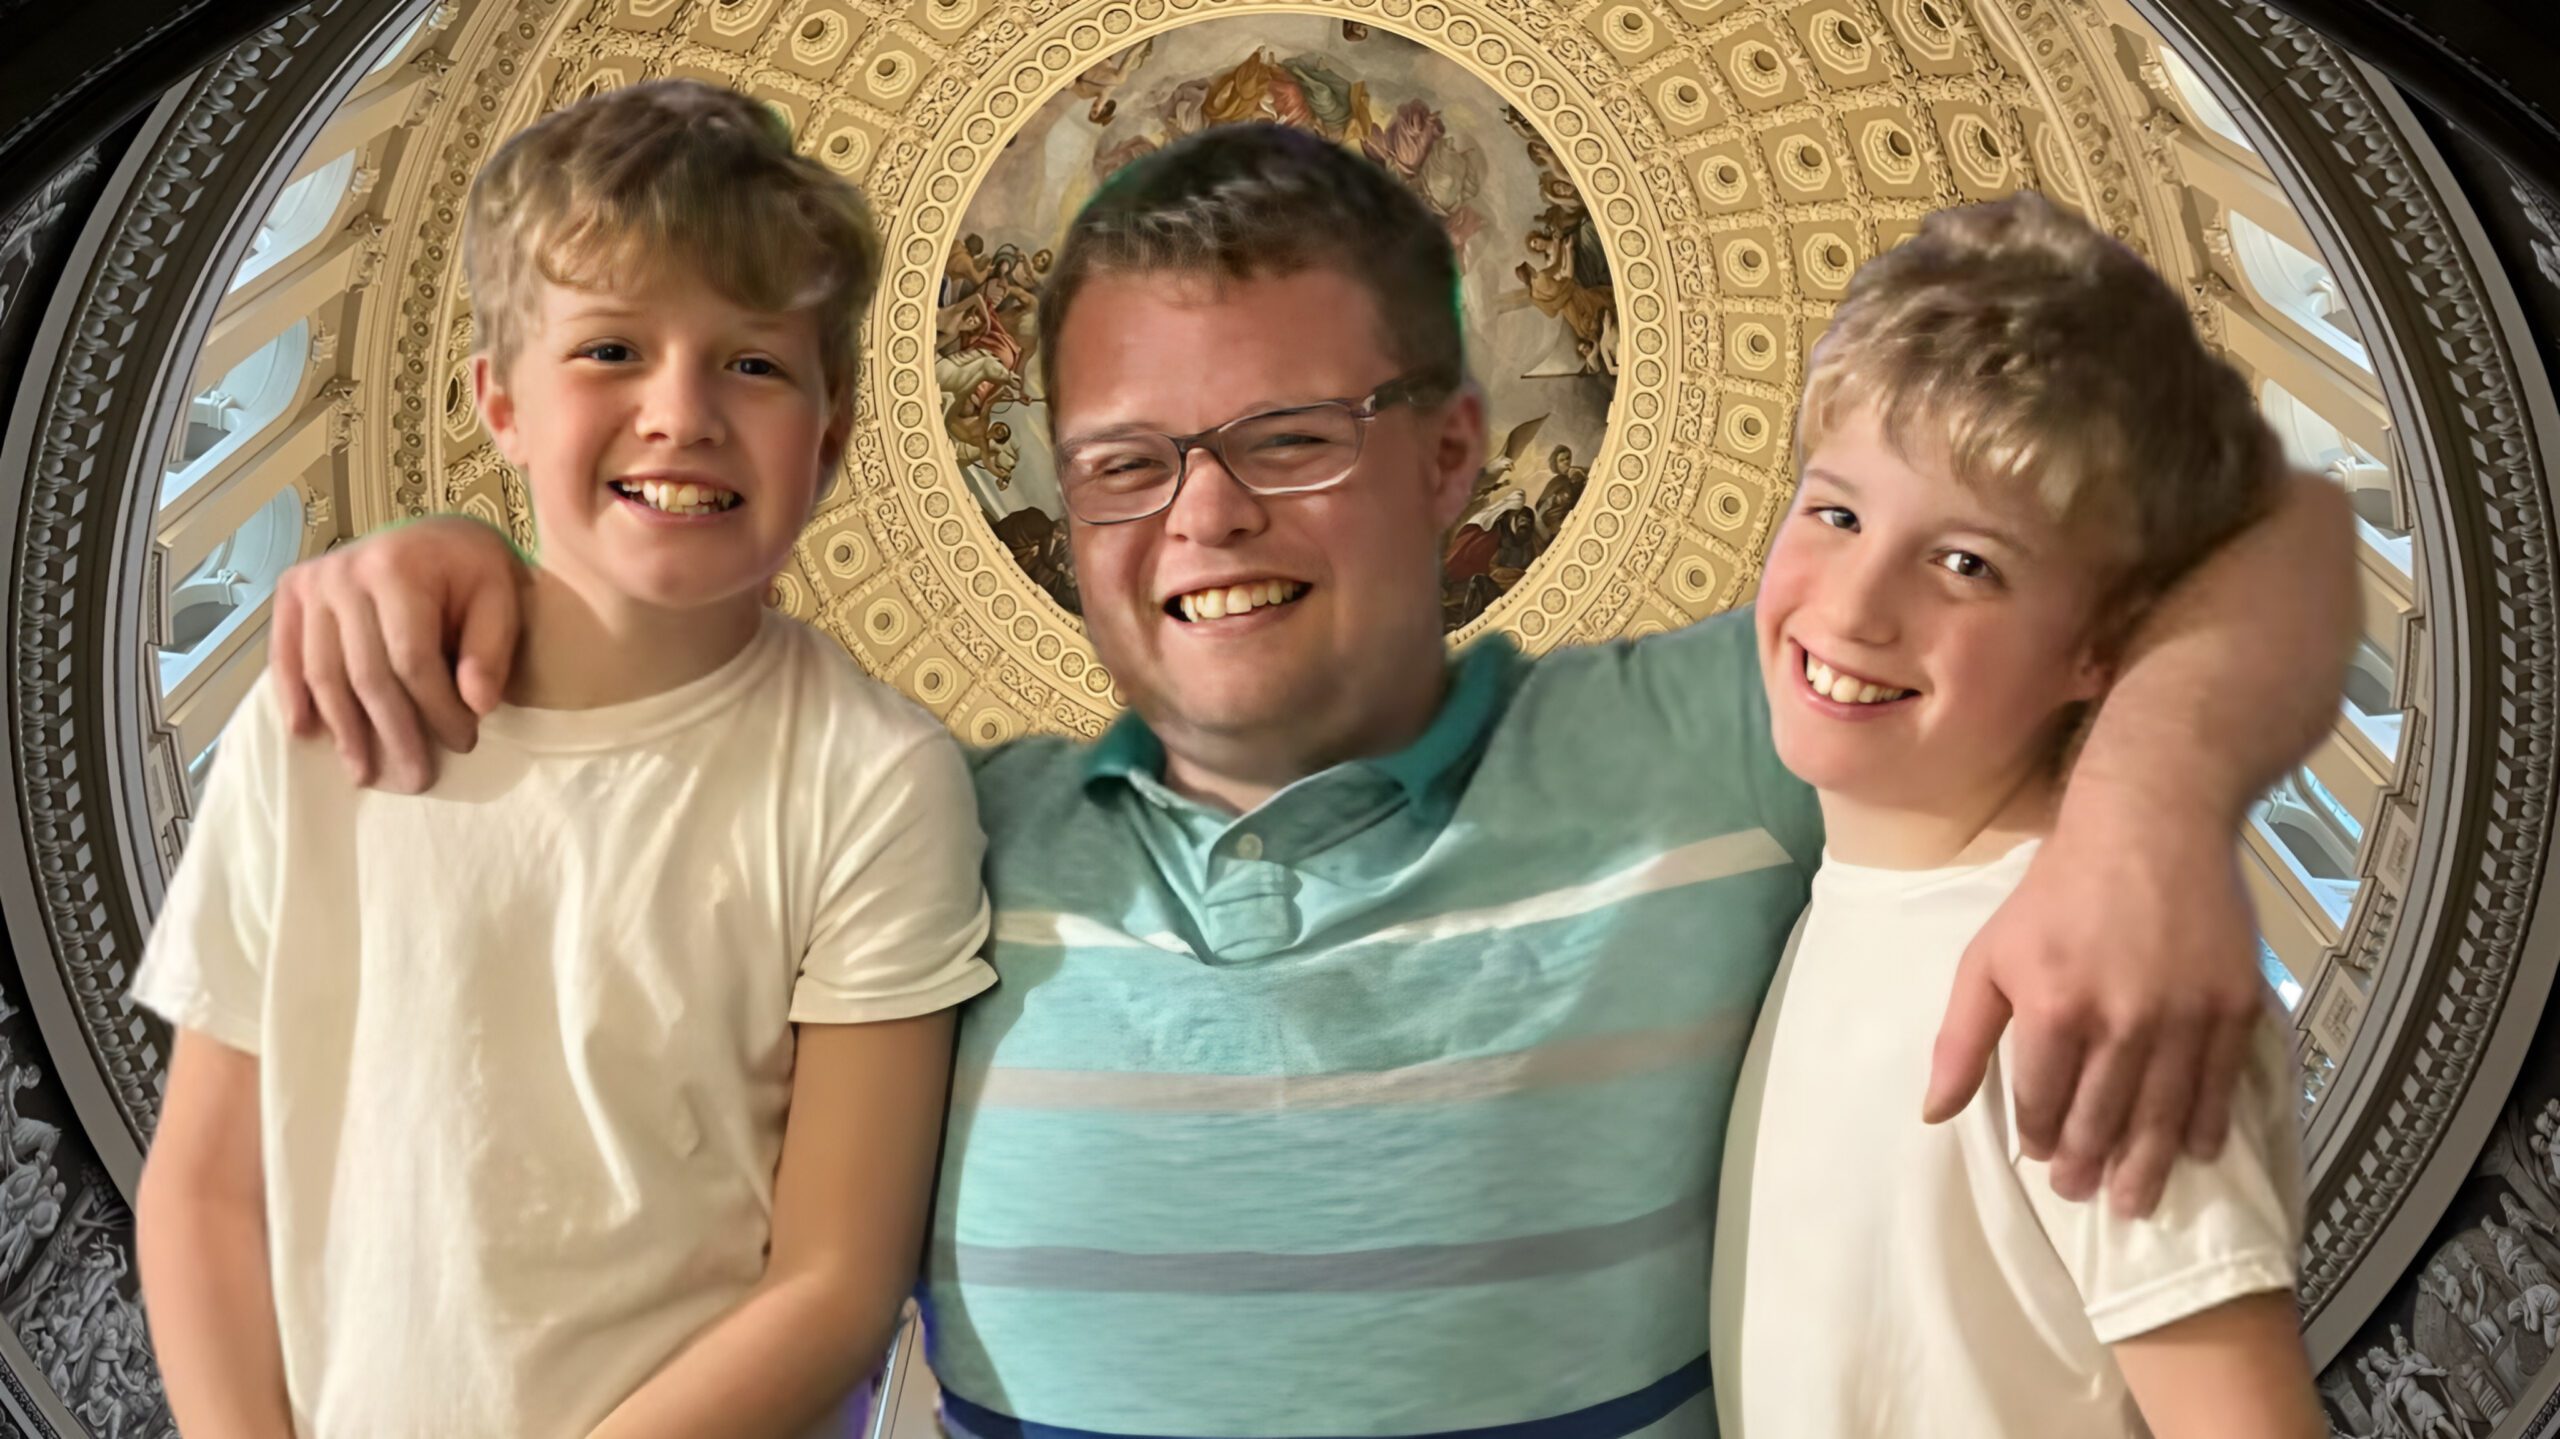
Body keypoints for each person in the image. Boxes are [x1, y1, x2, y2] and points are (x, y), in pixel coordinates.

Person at [265, 123, 2356, 1436]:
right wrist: (454, 560)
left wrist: (2151, 799)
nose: (1202, 514)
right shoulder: (919, 827)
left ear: (1450, 458)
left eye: (1288, 438)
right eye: (1126, 462)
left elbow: (2272, 517)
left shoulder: (1728, 734)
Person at [130, 80, 994, 1439]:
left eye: (754, 364)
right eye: (610, 349)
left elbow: (835, 1279)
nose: (681, 411)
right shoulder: (320, 717)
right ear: (500, 401)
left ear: (829, 439)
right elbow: (204, 1186)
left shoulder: (876, 776)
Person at [1710, 194, 2327, 1438]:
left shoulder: (2090, 986)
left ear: (2100, 645)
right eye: (1836, 513)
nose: (1856, 604)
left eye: (1967, 563)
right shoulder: (1833, 909)